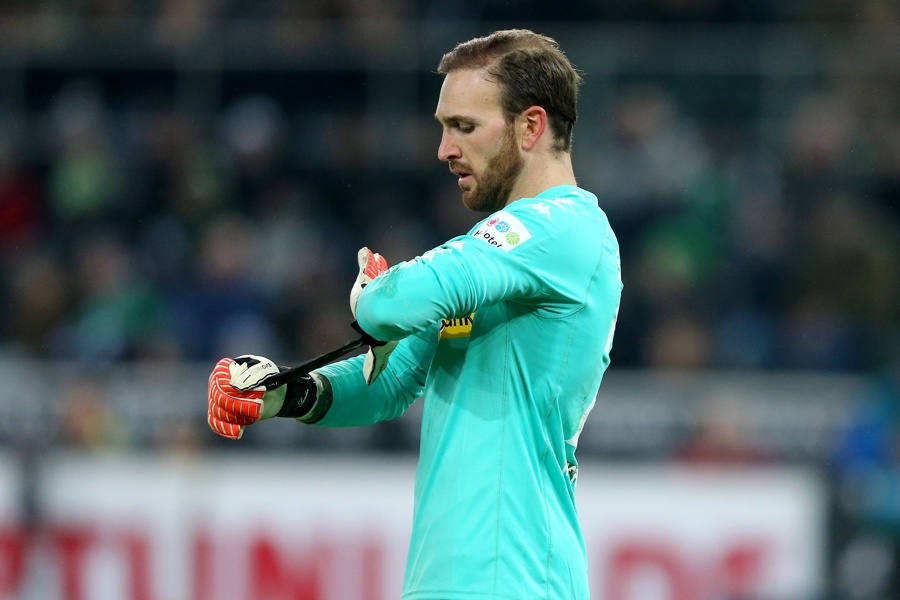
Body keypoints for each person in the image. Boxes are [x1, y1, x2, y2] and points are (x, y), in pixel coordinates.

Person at [207, 29, 622, 600]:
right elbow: (392, 380)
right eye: (443, 127)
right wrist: (284, 391)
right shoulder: (513, 255)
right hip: (448, 581)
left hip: (516, 579)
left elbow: (395, 303)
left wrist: (375, 299)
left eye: (465, 127)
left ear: (531, 127)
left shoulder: (565, 229)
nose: (444, 149)